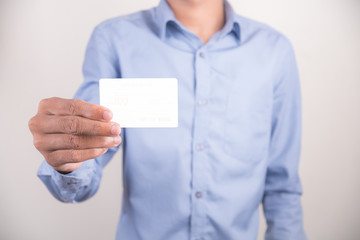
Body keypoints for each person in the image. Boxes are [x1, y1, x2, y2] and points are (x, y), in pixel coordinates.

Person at [28, 0, 307, 239]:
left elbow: (282, 187)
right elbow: (89, 159)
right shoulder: (113, 39)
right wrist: (68, 159)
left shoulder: (275, 51)